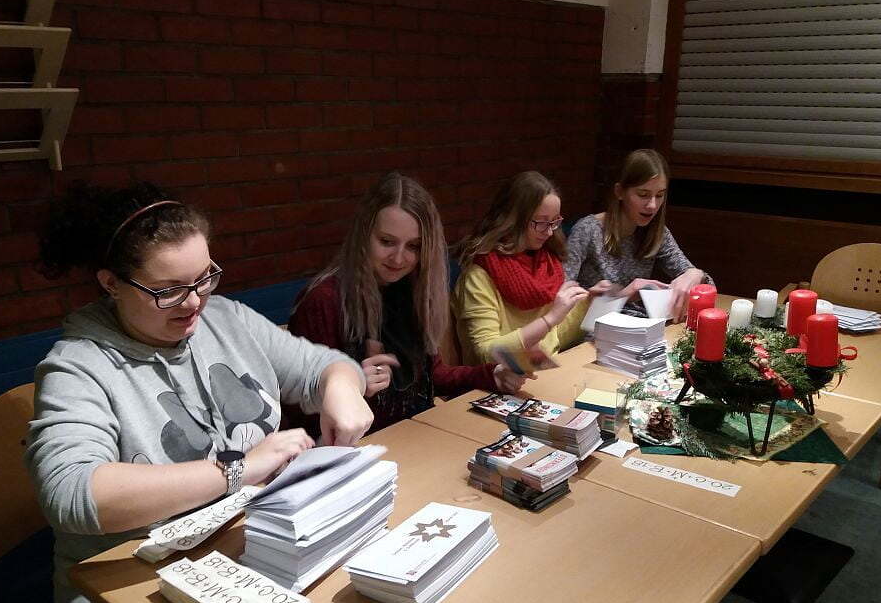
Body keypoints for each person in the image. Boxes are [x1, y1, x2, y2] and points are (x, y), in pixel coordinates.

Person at [26, 181, 372, 603]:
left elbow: (323, 366)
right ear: (112, 283)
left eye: (205, 277)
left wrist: (342, 390)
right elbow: (73, 496)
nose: (194, 303)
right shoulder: (78, 367)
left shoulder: (225, 318)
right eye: (168, 290)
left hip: (245, 549)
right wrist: (238, 468)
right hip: (132, 591)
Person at [288, 172, 527, 434]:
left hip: (418, 433)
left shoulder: (411, 289)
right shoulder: (323, 301)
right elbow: (299, 414)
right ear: (363, 235)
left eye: (413, 246)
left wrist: (491, 375)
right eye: (386, 242)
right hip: (363, 448)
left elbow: (431, 377)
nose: (399, 258)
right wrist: (349, 390)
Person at [454, 171, 610, 365]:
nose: (550, 232)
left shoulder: (546, 264)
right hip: (496, 379)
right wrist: (550, 318)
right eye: (541, 222)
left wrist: (590, 304)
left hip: (541, 374)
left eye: (554, 222)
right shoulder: (479, 275)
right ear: (513, 220)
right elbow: (485, 354)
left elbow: (553, 339)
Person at [564, 149, 713, 321]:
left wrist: (695, 274)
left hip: (642, 325)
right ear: (619, 192)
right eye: (643, 195)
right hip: (594, 326)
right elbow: (559, 300)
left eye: (660, 195)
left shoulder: (656, 232)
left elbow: (709, 288)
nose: (652, 205)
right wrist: (623, 294)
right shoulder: (588, 230)